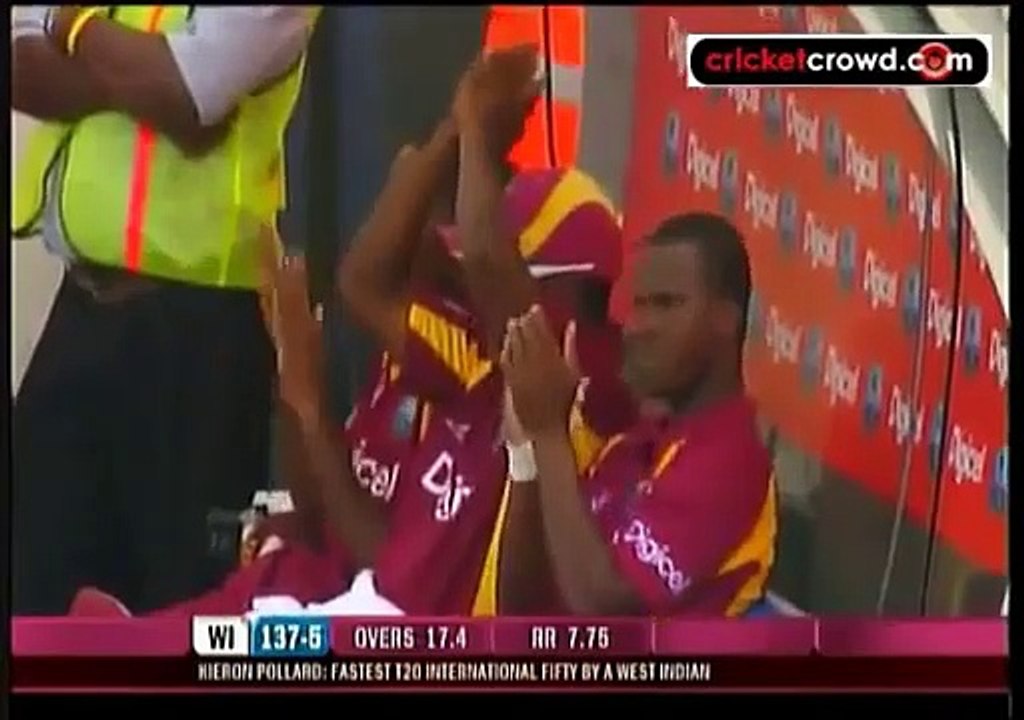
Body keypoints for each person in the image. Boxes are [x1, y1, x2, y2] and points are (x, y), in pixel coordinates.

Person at [11, 6, 321, 615]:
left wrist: (70, 26)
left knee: (176, 603)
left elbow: (188, 94)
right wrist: (144, 81)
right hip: (81, 309)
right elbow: (20, 62)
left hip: (197, 336)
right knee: (33, 584)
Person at [500, 212, 778, 616]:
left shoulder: (731, 458)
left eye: (666, 304)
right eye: (639, 305)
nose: (637, 327)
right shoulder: (630, 443)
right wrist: (526, 454)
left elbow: (606, 611)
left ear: (725, 319)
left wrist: (548, 431)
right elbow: (521, 605)